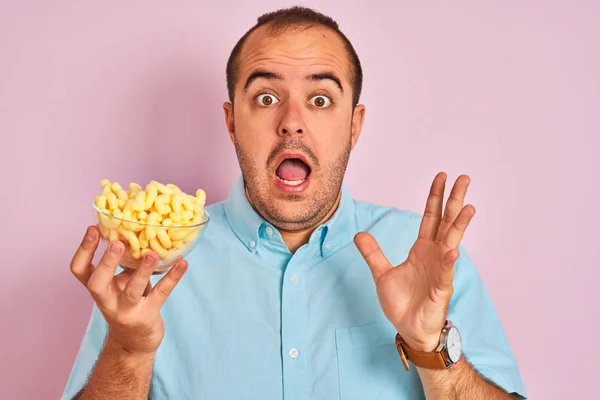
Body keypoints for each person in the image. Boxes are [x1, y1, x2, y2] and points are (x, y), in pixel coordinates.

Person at [62, 6, 526, 400]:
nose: (292, 123)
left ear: (354, 126)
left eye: (320, 99)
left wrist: (430, 349)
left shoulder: (428, 258)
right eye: (266, 97)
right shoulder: (153, 266)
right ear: (231, 122)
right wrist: (129, 350)